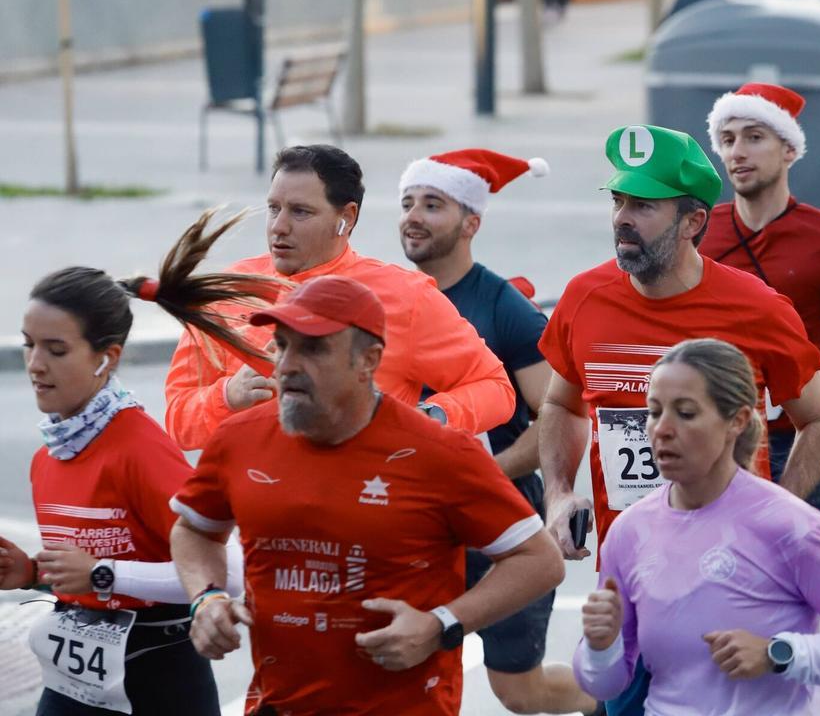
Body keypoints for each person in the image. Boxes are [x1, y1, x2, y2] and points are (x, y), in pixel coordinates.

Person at [539, 123, 820, 715]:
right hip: (629, 577)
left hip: (734, 579)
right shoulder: (584, 297)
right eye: (619, 201)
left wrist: (777, 514)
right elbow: (559, 404)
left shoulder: (755, 307)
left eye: (644, 206)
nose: (623, 218)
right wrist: (557, 493)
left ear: (693, 221)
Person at [168, 275, 565, 716]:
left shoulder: (437, 452)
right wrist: (206, 597)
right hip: (278, 705)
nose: (287, 365)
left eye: (313, 349)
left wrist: (441, 625)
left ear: (368, 360)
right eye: (281, 345)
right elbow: (193, 530)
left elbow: (539, 560)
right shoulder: (238, 439)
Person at [0, 210, 271, 715]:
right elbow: (91, 579)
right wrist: (33, 571)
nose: (35, 364)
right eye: (28, 345)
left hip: (158, 687)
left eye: (56, 350)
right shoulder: (48, 455)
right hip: (72, 691)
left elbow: (230, 569)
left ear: (107, 357)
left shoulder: (139, 448)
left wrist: (104, 575)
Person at [573, 338, 820, 715]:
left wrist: (779, 653)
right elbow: (605, 685)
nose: (662, 429)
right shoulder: (629, 531)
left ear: (736, 420)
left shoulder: (788, 524)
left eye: (685, 413)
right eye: (654, 411)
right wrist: (600, 647)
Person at [399, 148, 600, 716]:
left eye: (432, 204)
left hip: (501, 523)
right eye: (408, 203)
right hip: (414, 522)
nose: (413, 216)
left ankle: (616, 699)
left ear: (471, 223)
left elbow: (559, 414)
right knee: (404, 663)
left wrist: (485, 472)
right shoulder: (392, 297)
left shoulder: (505, 308)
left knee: (520, 692)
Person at [163, 144, 514, 450]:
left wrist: (428, 418)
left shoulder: (405, 296)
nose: (279, 226)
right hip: (255, 500)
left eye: (300, 211)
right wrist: (227, 396)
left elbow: (495, 387)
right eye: (273, 208)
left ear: (346, 218)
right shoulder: (230, 291)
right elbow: (178, 422)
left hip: (366, 496)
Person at [700, 82, 820, 512]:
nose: (738, 152)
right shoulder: (697, 231)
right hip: (709, 436)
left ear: (789, 150)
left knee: (784, 551)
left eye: (754, 137)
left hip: (799, 435)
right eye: (727, 140)